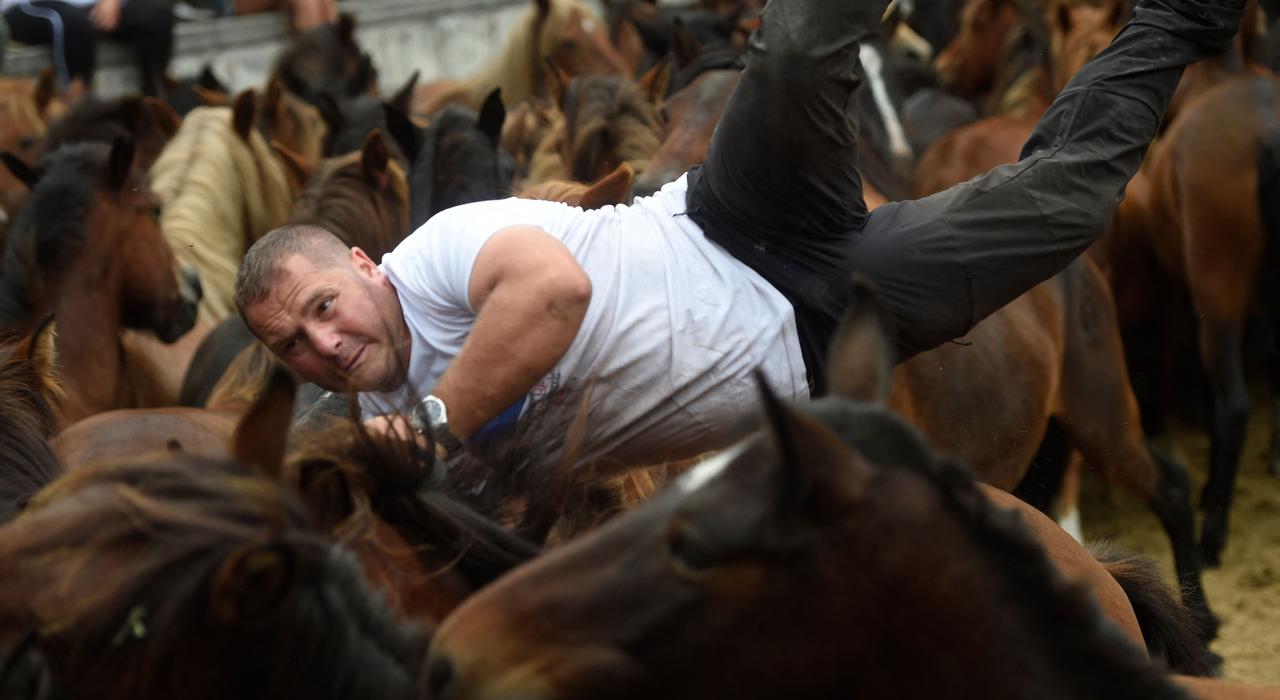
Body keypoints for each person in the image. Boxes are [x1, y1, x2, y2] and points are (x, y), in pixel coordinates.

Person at [235, 0, 1247, 467]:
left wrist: (440, 425)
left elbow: (553, 296)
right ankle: (1182, 18)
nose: (322, 345)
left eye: (322, 307)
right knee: (1063, 208)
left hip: (728, 222)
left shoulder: (440, 257)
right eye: (291, 345)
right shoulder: (377, 436)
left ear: (363, 266)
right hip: (818, 331)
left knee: (802, 48)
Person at [2, 0, 175, 97]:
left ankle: (154, 101)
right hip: (29, 6)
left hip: (90, 7)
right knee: (72, 23)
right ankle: (75, 105)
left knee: (157, 14)